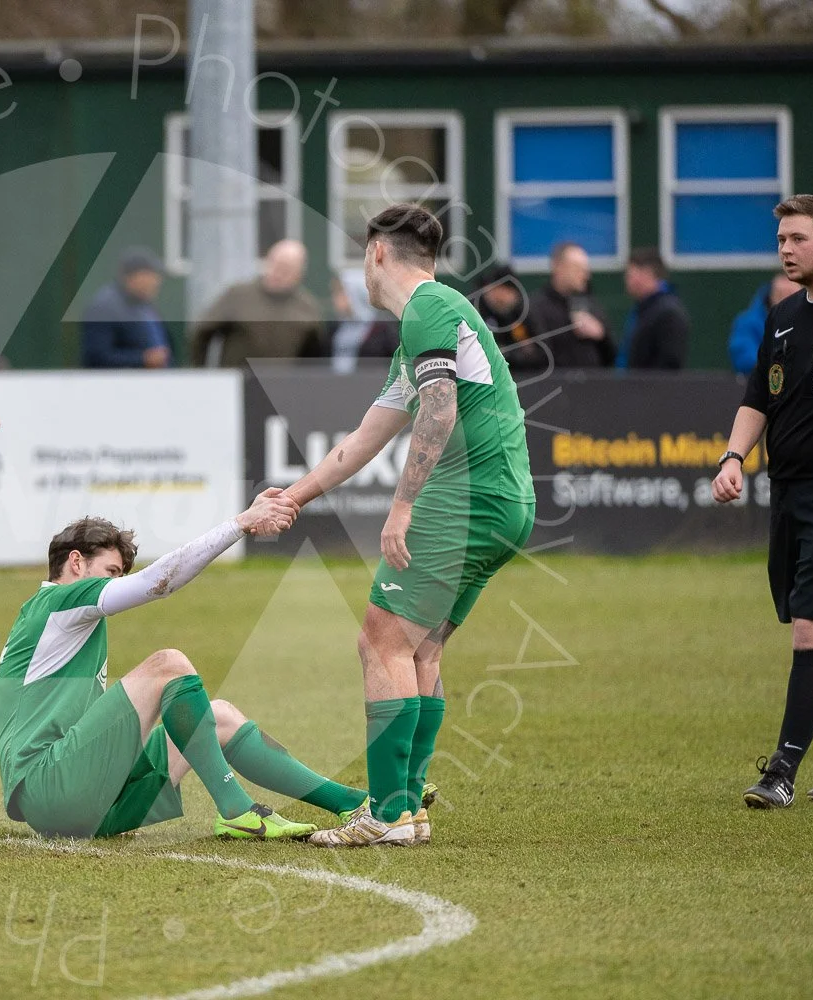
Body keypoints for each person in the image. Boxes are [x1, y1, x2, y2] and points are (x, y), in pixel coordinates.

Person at [280, 204, 535, 847]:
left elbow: (440, 413)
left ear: (376, 256)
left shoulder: (429, 308)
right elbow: (364, 439)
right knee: (420, 647)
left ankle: (386, 811)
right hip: (504, 501)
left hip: (467, 499)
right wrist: (295, 497)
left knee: (380, 641)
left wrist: (401, 506)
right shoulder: (428, 322)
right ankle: (410, 811)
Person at [0, 507, 368, 840]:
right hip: (50, 789)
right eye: (111, 572)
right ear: (76, 563)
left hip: (85, 801)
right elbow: (157, 582)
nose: (115, 582)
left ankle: (357, 803)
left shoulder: (59, 618)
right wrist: (239, 524)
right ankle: (237, 810)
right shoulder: (57, 602)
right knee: (168, 666)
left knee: (217, 716)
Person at [712, 194, 813, 808]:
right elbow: (759, 397)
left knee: (812, 625)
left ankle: (781, 771)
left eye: (797, 239)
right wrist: (733, 458)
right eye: (781, 240)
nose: (785, 250)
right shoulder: (783, 317)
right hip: (790, 495)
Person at [189, 240, 323, 367]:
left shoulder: (307, 308)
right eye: (274, 265)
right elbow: (203, 332)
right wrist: (201, 372)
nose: (277, 273)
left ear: (298, 274)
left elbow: (315, 356)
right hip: (239, 384)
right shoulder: (238, 296)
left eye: (285, 269)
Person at [80, 247, 171, 369]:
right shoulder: (104, 307)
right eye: (149, 276)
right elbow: (96, 357)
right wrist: (142, 359)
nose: (155, 281)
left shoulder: (146, 306)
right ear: (131, 277)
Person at [527, 242, 613, 367]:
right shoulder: (536, 307)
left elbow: (611, 355)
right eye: (578, 268)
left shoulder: (590, 304)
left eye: (585, 269)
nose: (585, 275)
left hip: (593, 384)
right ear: (558, 267)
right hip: (554, 384)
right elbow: (538, 357)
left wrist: (601, 334)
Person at [618, 248, 689, 370]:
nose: (627, 281)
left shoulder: (668, 313)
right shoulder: (642, 310)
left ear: (647, 273)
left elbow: (670, 363)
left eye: (630, 275)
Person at [472, 262, 543, 372]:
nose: (496, 294)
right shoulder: (475, 311)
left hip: (520, 374)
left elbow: (540, 354)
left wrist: (511, 354)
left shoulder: (523, 313)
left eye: (502, 289)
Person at [728, 273, 800, 376]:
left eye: (791, 294)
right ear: (771, 295)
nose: (786, 300)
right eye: (780, 294)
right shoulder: (748, 323)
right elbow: (743, 357)